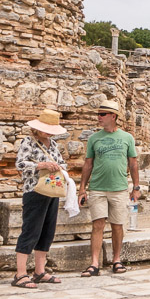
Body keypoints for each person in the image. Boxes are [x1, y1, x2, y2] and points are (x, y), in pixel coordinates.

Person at [79, 100, 138, 276]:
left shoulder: (127, 138)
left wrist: (136, 187)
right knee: (97, 224)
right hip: (97, 188)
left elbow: (133, 164)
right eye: (98, 114)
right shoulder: (94, 138)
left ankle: (116, 259)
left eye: (102, 114)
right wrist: (82, 188)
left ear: (113, 116)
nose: (99, 117)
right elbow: (88, 164)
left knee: (117, 225)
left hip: (119, 188)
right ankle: (94, 263)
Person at [12, 110, 69, 288]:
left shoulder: (52, 144)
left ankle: (39, 271)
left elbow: (62, 163)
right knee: (30, 230)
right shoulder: (28, 142)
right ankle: (20, 274)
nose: (48, 132)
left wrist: (57, 166)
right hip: (35, 191)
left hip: (51, 190)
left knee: (47, 232)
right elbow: (20, 164)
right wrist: (41, 165)